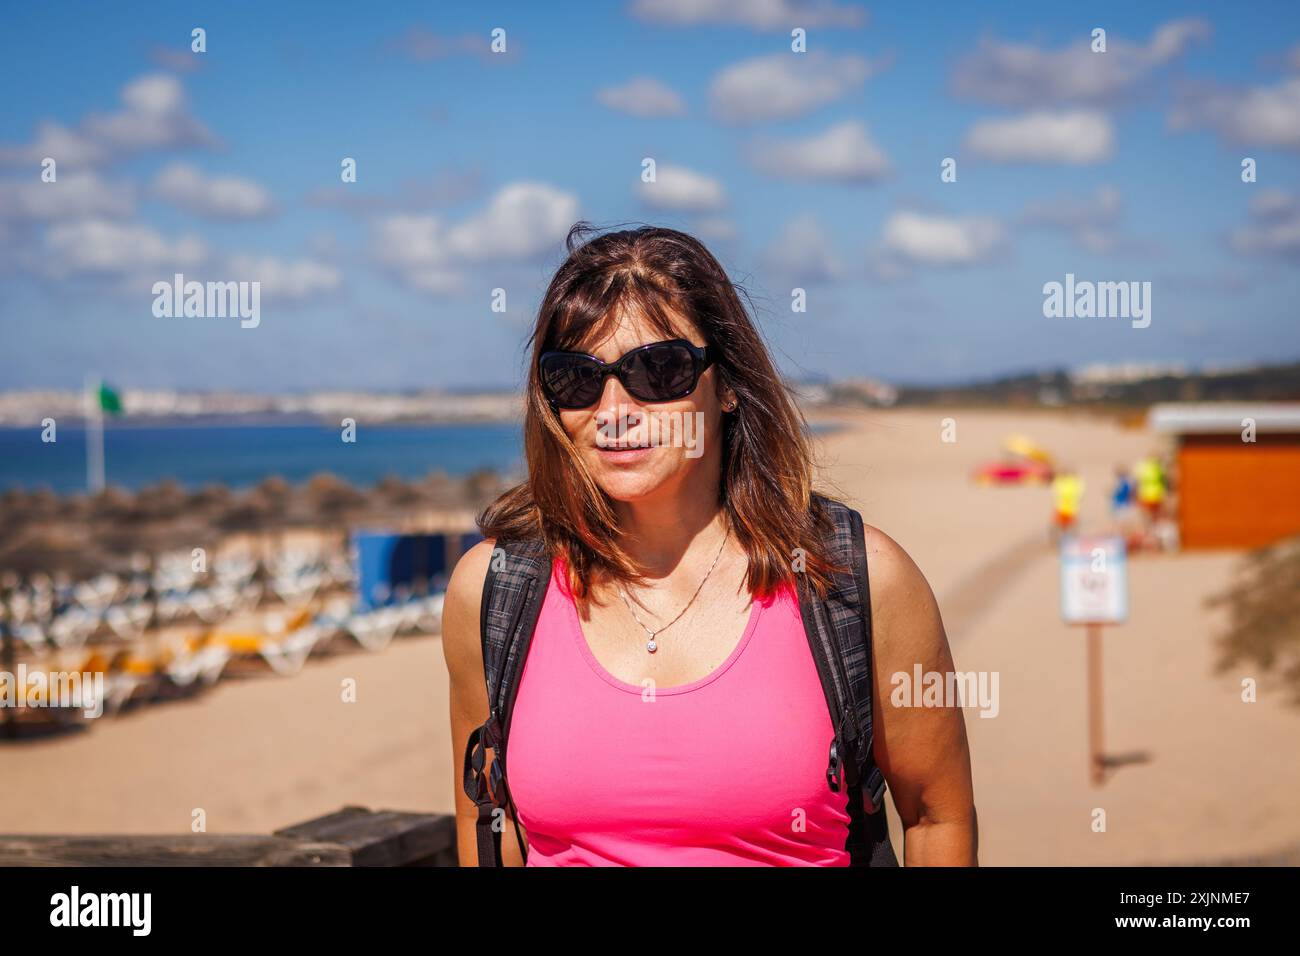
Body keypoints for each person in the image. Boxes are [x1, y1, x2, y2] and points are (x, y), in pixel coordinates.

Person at [443, 223, 976, 867]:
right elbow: (484, 823)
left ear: (726, 386)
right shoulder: (495, 590)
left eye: (657, 370)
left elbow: (936, 817)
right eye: (577, 379)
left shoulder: (856, 579)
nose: (614, 409)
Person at [1051, 469, 1085, 540]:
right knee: (1061, 526)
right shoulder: (1064, 482)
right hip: (1063, 508)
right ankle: (1064, 539)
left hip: (1070, 509)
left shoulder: (1073, 483)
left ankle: (1068, 539)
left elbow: (1080, 489)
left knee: (1069, 527)